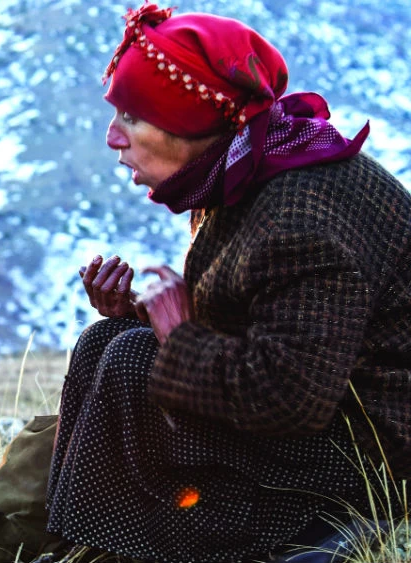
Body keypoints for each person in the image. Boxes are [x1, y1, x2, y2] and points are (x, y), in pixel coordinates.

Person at [44, 3, 411, 563]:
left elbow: (288, 400)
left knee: (131, 362)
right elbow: (259, 318)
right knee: (107, 342)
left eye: (133, 119)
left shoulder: (302, 222)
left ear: (191, 125)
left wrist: (179, 335)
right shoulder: (246, 167)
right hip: (328, 421)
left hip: (373, 459)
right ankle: (87, 542)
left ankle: (315, 531)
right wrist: (142, 315)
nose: (113, 137)